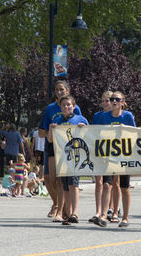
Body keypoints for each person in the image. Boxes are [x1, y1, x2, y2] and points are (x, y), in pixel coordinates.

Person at [39, 80, 82, 219]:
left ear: (67, 91)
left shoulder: (75, 108)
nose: (59, 92)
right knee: (51, 179)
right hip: (52, 145)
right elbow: (42, 131)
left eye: (62, 89)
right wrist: (52, 130)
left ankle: (62, 211)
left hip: (69, 148)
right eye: (57, 90)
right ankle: (58, 205)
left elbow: (81, 126)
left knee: (62, 179)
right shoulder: (50, 108)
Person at [94, 91, 135, 228]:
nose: (114, 101)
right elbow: (96, 132)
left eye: (117, 99)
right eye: (112, 99)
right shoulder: (105, 116)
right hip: (109, 155)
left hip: (124, 156)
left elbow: (134, 133)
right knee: (107, 185)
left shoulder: (128, 116)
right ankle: (104, 215)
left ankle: (125, 217)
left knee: (123, 187)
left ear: (123, 102)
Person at [48, 95, 89, 225]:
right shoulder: (58, 121)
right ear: (60, 108)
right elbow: (50, 140)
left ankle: (75, 212)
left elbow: (90, 136)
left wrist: (84, 129)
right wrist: (51, 129)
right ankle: (67, 212)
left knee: (73, 185)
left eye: (69, 105)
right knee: (64, 186)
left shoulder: (80, 119)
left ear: (74, 106)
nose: (66, 107)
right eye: (64, 105)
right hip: (63, 157)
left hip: (76, 157)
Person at [89, 91, 113, 223]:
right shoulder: (97, 116)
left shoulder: (115, 116)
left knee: (110, 183)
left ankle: (111, 209)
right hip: (99, 150)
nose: (104, 103)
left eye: (107, 100)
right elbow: (92, 132)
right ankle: (98, 211)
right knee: (98, 181)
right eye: (102, 100)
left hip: (112, 151)